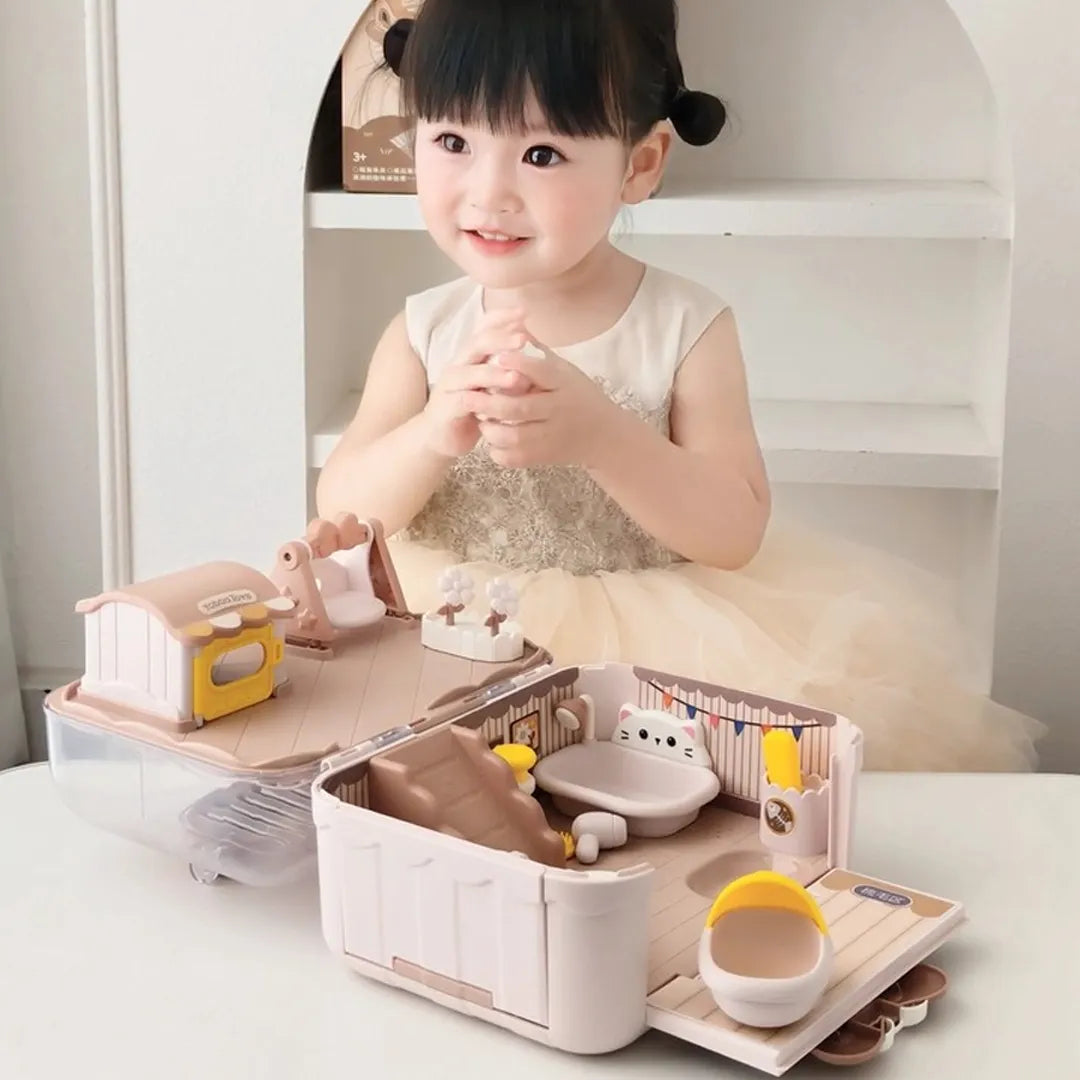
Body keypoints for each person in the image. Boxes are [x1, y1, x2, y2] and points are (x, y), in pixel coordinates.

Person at [317, 0, 1042, 772]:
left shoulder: (684, 325)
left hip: (648, 658)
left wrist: (605, 435)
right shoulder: (425, 330)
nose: (488, 192)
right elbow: (345, 511)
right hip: (452, 632)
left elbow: (734, 533)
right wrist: (433, 431)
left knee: (639, 801)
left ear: (640, 165)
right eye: (454, 140)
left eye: (542, 155)